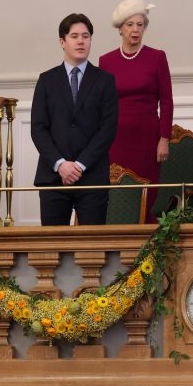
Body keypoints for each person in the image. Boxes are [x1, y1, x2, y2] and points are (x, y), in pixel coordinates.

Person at [31, 13, 118, 226]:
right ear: (62, 41)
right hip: (53, 177)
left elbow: (108, 128)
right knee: (52, 250)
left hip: (92, 177)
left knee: (92, 252)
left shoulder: (105, 80)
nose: (81, 41)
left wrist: (79, 165)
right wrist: (60, 164)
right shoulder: (46, 80)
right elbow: (38, 128)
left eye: (86, 36)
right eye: (74, 36)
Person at [98, 0, 173, 216]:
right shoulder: (106, 61)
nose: (135, 30)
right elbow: (102, 106)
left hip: (147, 140)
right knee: (116, 192)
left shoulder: (157, 57)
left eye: (140, 25)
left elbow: (166, 101)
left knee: (147, 192)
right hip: (116, 139)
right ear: (120, 28)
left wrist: (164, 139)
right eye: (130, 25)